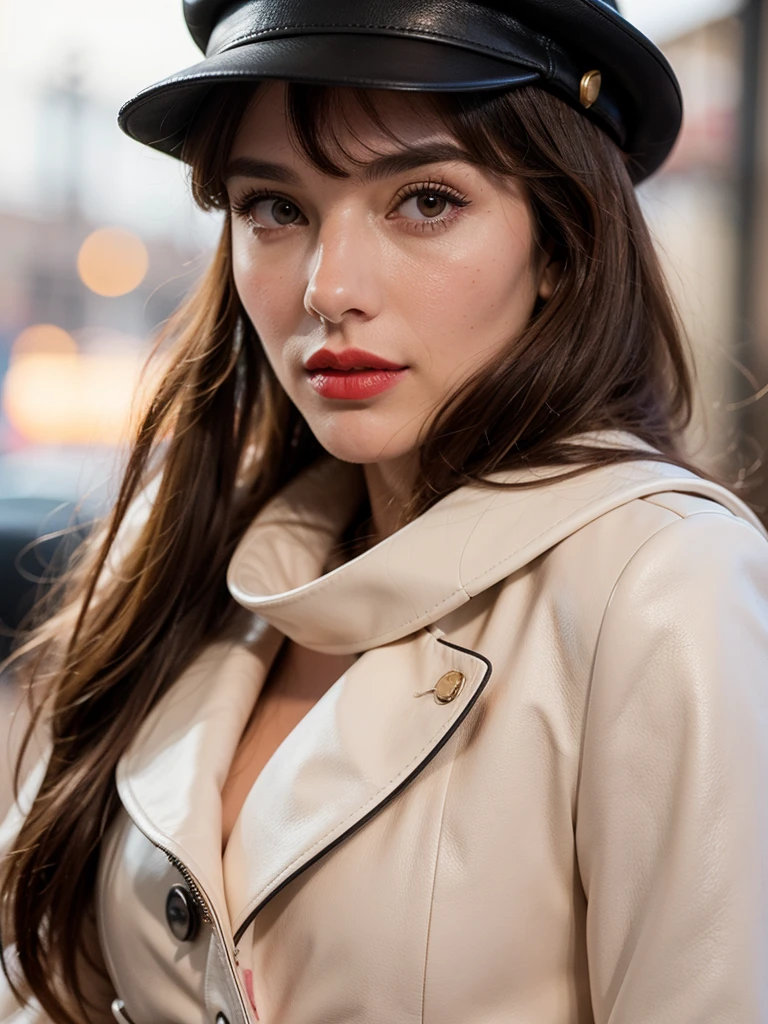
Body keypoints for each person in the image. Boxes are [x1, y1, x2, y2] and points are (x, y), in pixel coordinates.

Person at [1, 1, 767, 1022]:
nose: (329, 288)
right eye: (275, 207)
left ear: (561, 243)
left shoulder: (666, 582)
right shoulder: (191, 559)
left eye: (425, 200)